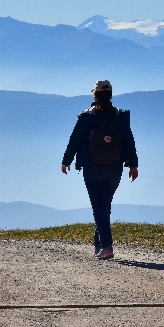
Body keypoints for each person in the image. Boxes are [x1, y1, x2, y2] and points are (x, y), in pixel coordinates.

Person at [61, 80, 138, 260]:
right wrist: (133, 165)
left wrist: (66, 161)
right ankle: (98, 246)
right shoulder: (121, 116)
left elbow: (75, 140)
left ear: (94, 95)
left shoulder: (87, 117)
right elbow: (129, 141)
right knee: (105, 206)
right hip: (115, 168)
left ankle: (107, 246)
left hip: (92, 167)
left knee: (98, 207)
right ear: (110, 94)